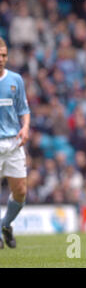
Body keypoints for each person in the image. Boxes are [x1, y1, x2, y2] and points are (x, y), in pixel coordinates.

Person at [0, 37, 30, 248]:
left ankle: (5, 224)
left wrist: (25, 127)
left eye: (3, 55)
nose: (1, 59)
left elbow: (24, 109)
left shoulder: (15, 80)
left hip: (13, 143)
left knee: (20, 191)